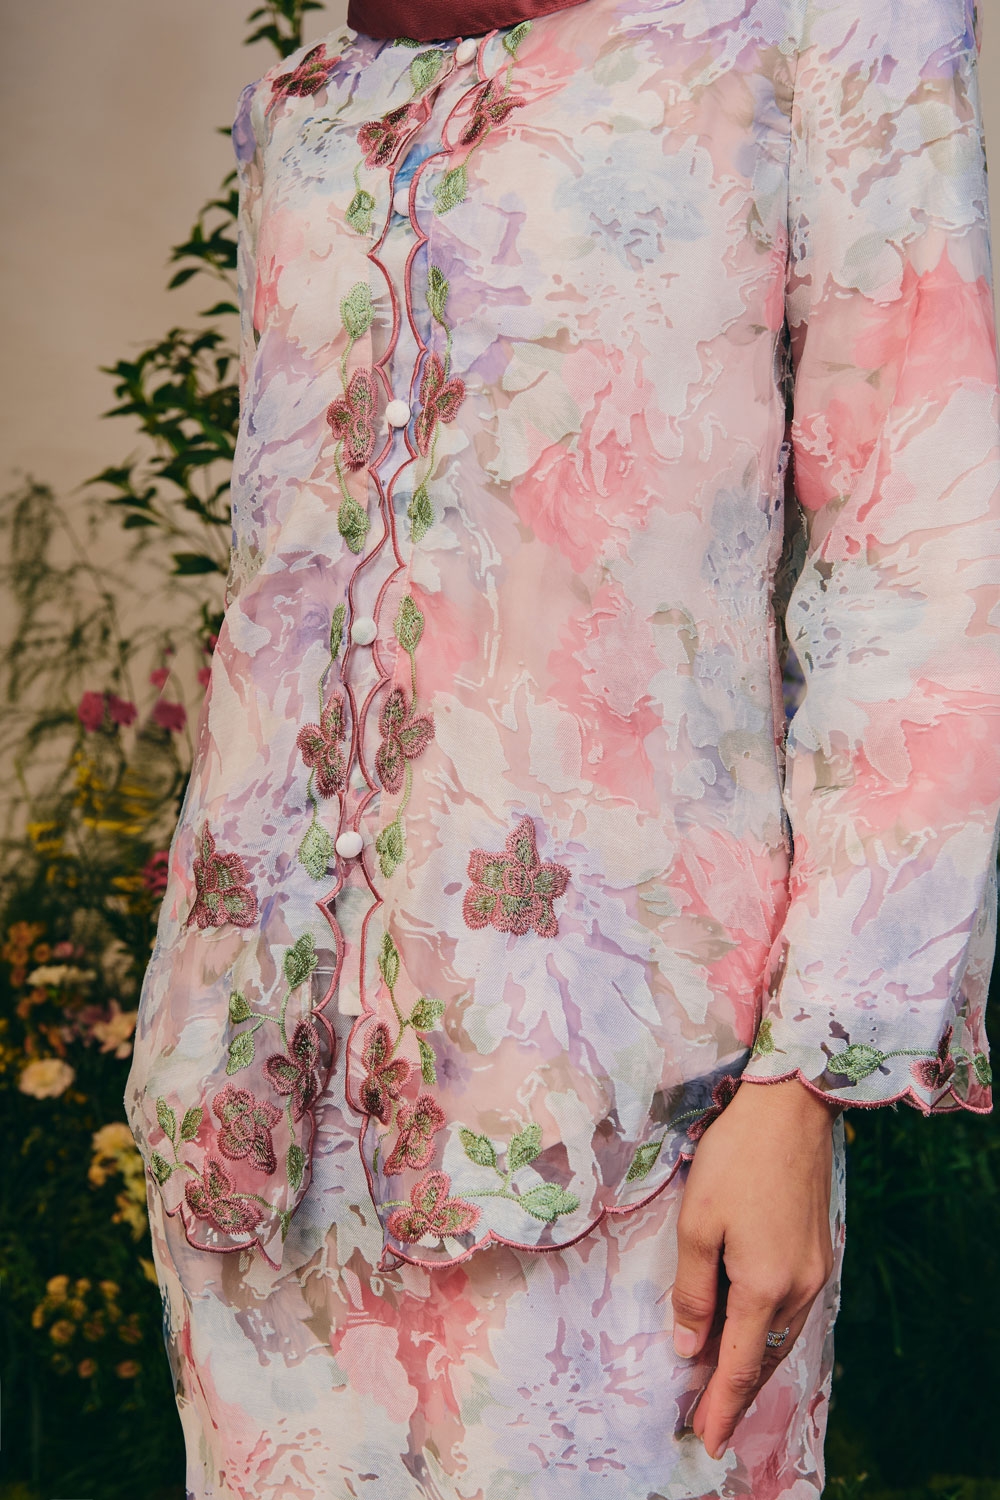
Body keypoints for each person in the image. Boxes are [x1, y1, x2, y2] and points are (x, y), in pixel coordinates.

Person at [124, 0, 1000, 1494]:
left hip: (625, 1126)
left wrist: (803, 1088)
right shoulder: (314, 99)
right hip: (249, 1122)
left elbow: (924, 551)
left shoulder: (821, 30)